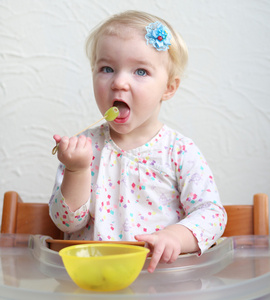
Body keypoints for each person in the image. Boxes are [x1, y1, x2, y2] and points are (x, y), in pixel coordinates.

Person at [49, 10, 227, 273]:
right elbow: (66, 223)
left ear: (169, 88)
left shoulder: (179, 151)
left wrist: (177, 236)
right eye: (106, 68)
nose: (119, 82)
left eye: (140, 71)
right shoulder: (82, 148)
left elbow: (212, 213)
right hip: (93, 279)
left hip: (160, 281)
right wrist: (77, 170)